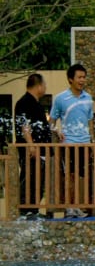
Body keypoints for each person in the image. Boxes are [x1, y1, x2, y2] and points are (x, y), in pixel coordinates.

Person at [50, 63, 94, 216]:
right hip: (68, 143)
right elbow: (52, 121)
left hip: (85, 143)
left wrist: (92, 141)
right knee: (69, 175)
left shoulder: (88, 98)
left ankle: (79, 207)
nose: (82, 80)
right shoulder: (60, 98)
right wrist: (56, 131)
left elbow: (90, 121)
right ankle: (70, 207)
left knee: (83, 176)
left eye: (84, 77)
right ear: (70, 79)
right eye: (79, 77)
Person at [14, 73, 50, 214]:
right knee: (29, 178)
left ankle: (34, 209)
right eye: (44, 85)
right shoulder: (24, 102)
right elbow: (24, 125)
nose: (45, 87)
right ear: (39, 86)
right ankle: (26, 210)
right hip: (31, 150)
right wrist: (31, 145)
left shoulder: (37, 104)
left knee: (38, 180)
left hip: (40, 149)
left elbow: (42, 125)